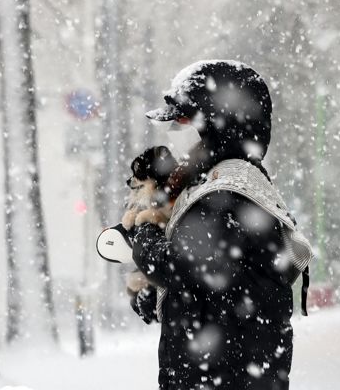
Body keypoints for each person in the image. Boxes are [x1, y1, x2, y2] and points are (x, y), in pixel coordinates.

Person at [128, 60, 313, 390]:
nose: (187, 143)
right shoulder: (238, 186)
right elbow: (208, 285)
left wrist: (146, 233)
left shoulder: (228, 193)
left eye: (192, 126)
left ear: (219, 126)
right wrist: (154, 296)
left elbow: (178, 265)